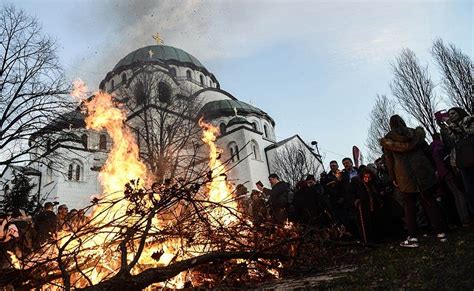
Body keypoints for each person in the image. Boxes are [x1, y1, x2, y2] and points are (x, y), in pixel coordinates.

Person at [380, 115, 447, 247]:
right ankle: (441, 233)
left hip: (403, 176)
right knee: (429, 202)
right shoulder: (415, 134)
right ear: (403, 121)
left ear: (391, 125)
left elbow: (389, 161)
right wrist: (433, 168)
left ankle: (413, 237)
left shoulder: (388, 140)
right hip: (422, 172)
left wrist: (393, 178)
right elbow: (427, 152)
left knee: (409, 207)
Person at [430, 133, 473, 226]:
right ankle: (466, 218)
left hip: (443, 175)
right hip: (448, 173)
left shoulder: (433, 151)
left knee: (456, 195)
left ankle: (463, 219)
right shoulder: (441, 147)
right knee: (460, 194)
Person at [447, 107, 474, 210]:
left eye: (453, 113)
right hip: (463, 163)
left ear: (459, 113)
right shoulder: (451, 128)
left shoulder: (469, 120)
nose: (451, 116)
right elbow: (451, 143)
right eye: (449, 114)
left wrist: (459, 127)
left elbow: (470, 131)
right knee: (470, 190)